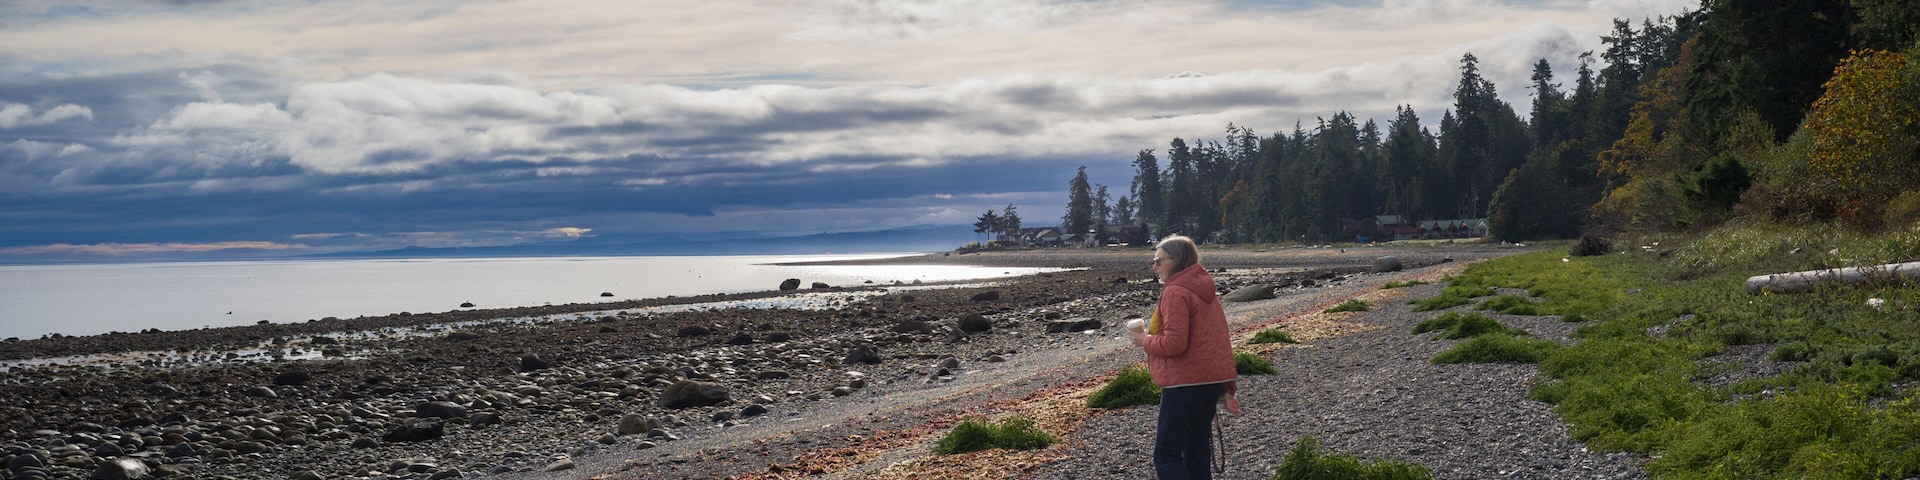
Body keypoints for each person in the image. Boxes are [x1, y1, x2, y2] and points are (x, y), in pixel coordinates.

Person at [1128, 235, 1239, 479]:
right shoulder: (1204, 288)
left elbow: (1174, 343)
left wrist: (1144, 340)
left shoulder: (1176, 292)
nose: (1155, 267)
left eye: (1159, 261)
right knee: (1197, 453)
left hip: (1184, 383)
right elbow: (1217, 340)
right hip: (1208, 382)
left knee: (1167, 454)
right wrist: (1226, 387)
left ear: (1177, 261)